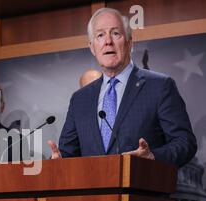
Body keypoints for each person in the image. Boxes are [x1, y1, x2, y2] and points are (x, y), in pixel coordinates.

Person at [48, 8, 197, 167]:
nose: (108, 41)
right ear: (92, 47)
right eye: (100, 35)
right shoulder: (80, 99)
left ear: (129, 43)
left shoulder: (160, 86)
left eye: (115, 33)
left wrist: (153, 157)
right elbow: (68, 152)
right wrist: (59, 162)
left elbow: (184, 142)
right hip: (92, 191)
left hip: (141, 188)